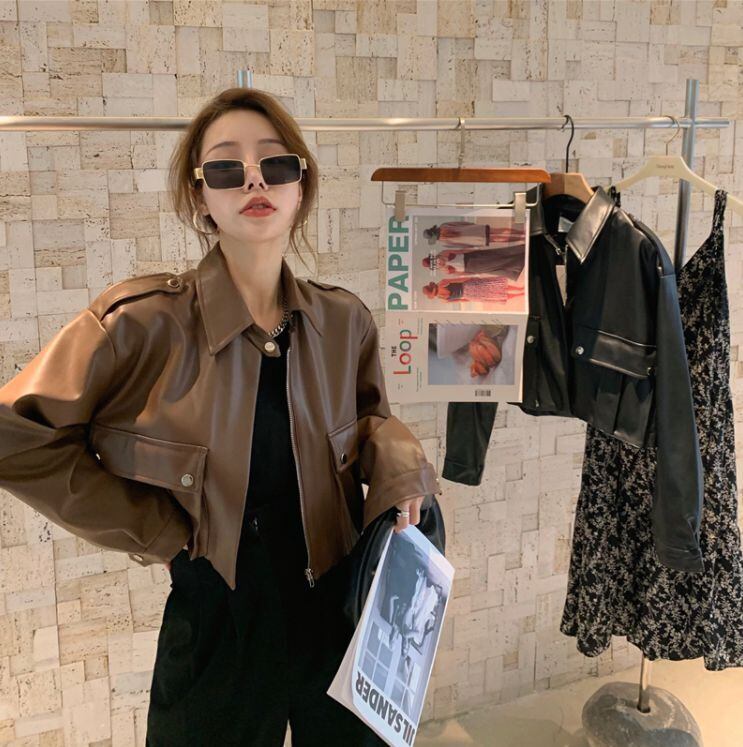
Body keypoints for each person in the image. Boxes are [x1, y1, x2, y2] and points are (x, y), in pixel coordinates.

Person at [0, 87, 441, 745]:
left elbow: (370, 417)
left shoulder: (343, 318)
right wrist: (156, 529)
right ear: (199, 193)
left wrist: (403, 467)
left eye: (276, 164)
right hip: (220, 609)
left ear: (300, 186)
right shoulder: (142, 323)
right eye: (227, 167)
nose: (255, 180)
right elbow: (15, 435)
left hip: (341, 600)